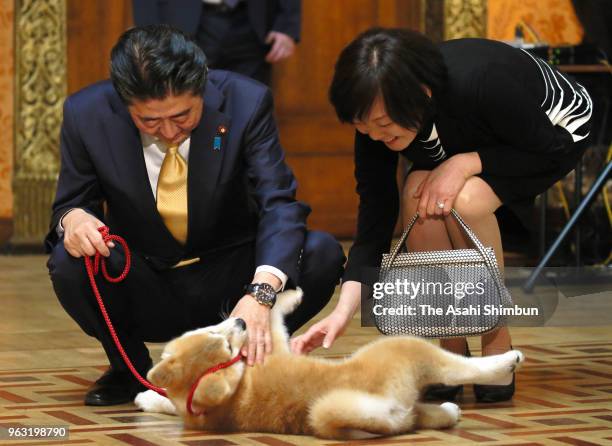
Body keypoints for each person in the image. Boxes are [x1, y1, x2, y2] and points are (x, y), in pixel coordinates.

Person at [45, 24, 344, 406]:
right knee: (68, 262)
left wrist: (261, 292)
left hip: (228, 277)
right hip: (144, 278)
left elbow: (279, 202)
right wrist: (75, 220)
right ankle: (129, 370)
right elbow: (71, 203)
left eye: (183, 116)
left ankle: (242, 360)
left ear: (202, 88)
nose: (169, 131)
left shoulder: (245, 102)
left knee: (320, 253)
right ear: (124, 103)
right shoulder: (86, 114)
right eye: (149, 122)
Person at [290, 28, 593, 403]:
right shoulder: (375, 116)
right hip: (465, 144)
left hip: (552, 133)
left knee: (464, 201)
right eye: (364, 129)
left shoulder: (481, 81)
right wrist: (343, 310)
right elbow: (374, 216)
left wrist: (468, 163)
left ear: (422, 94)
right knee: (418, 196)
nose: (374, 136)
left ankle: (495, 339)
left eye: (383, 126)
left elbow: (550, 146)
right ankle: (451, 342)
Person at [132, 0, 301, 85]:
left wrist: (287, 24)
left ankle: (232, 151)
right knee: (191, 106)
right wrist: (151, 33)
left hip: (252, 22)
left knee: (247, 107)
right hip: (186, 22)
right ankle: (212, 149)